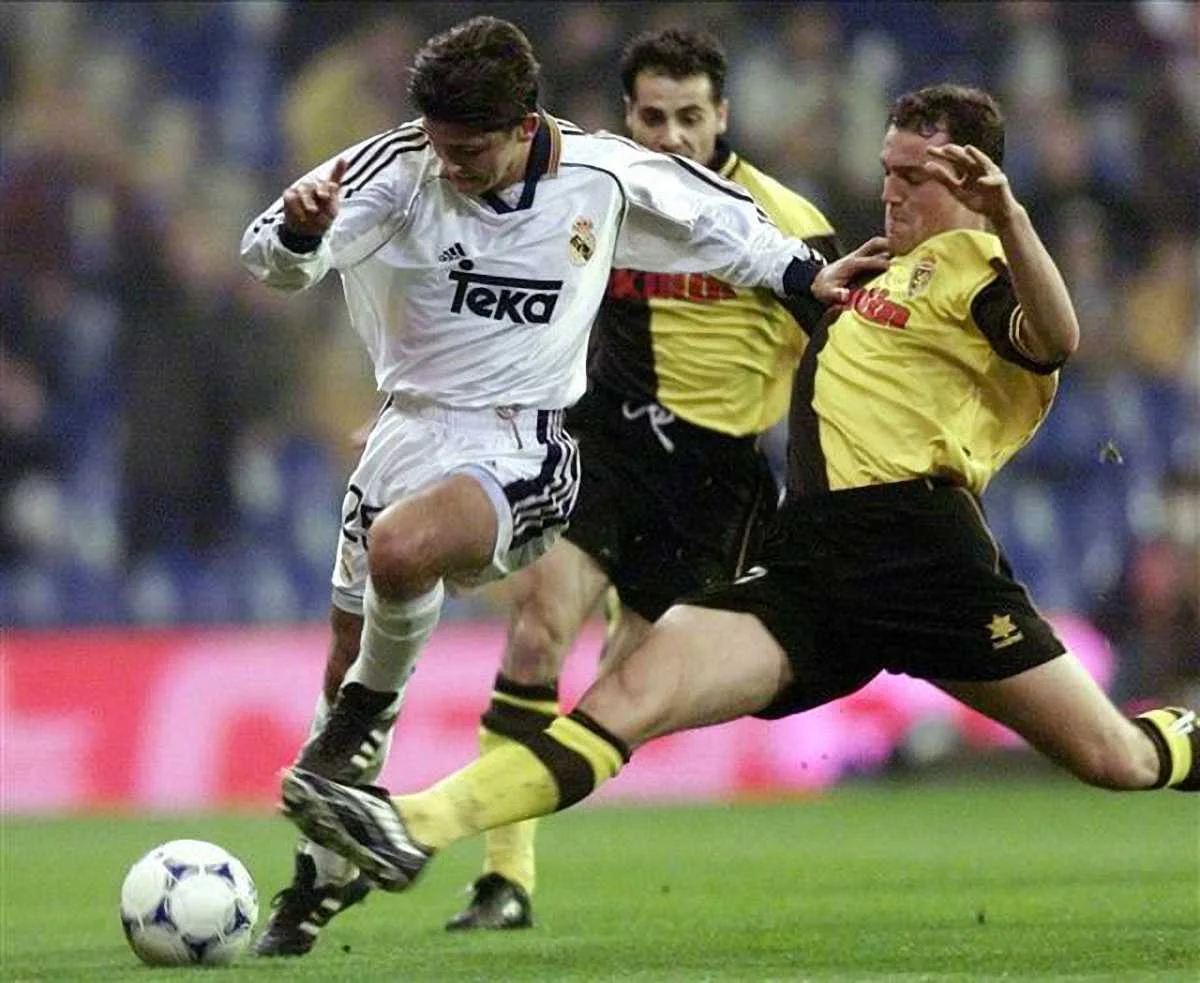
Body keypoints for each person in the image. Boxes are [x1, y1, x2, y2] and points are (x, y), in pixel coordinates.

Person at [274, 83, 1200, 904]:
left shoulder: (982, 269)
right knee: (632, 689)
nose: (891, 189)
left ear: (974, 180)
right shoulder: (867, 269)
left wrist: (1011, 218)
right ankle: (411, 823)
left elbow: (1057, 336)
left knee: (1114, 758)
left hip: (923, 556)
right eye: (888, 169)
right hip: (812, 562)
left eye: (915, 176)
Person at [239, 15, 886, 957]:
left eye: (469, 150)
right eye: (439, 143)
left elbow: (726, 223)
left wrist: (809, 277)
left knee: (413, 561)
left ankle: (419, 776)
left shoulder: (603, 173)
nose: (450, 164)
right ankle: (319, 880)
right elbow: (276, 259)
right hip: (413, 430)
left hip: (533, 444)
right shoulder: (399, 166)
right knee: (348, 652)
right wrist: (299, 234)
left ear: (522, 125)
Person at [443, 27, 840, 932]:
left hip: (712, 485)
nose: (672, 137)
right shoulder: (597, 193)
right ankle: (502, 877)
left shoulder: (785, 223)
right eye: (653, 118)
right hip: (604, 444)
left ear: (723, 115)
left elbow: (838, 360)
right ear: (628, 116)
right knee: (538, 630)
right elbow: (511, 304)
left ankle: (477, 813)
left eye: (690, 117)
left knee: (622, 700)